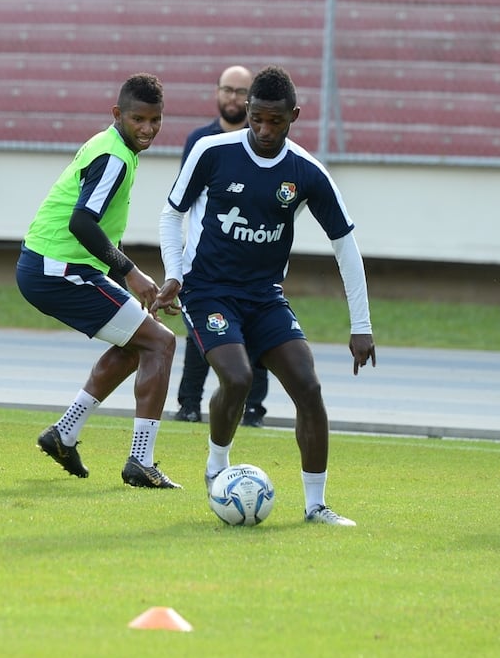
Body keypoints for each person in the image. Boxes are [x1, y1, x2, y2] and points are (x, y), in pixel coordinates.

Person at [156, 65, 376, 526]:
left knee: (309, 387)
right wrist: (174, 274)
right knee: (237, 378)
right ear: (248, 112)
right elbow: (170, 214)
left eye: (276, 121)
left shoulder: (306, 172)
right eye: (256, 118)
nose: (264, 130)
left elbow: (346, 244)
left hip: (264, 296)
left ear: (293, 116)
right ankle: (217, 467)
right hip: (209, 291)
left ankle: (316, 505)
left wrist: (361, 326)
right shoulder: (211, 152)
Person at [18, 73, 181, 489]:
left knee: (137, 345)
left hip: (60, 267)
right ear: (117, 115)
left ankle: (63, 434)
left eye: (155, 120)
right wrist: (132, 272)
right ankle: (140, 462)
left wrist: (130, 283)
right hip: (56, 269)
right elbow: (81, 224)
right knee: (160, 343)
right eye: (138, 119)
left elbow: (98, 230)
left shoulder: (114, 147)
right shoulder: (113, 156)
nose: (147, 129)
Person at [172, 64, 272, 428]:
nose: (232, 97)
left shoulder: (262, 140)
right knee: (200, 335)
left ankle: (253, 409)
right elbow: (184, 200)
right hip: (206, 259)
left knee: (256, 334)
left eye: (240, 91)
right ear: (217, 92)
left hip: (251, 256)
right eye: (227, 89)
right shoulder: (200, 142)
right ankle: (188, 404)